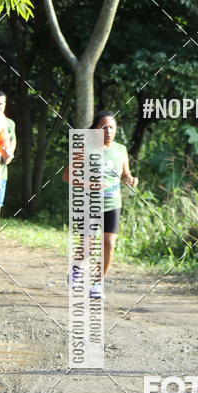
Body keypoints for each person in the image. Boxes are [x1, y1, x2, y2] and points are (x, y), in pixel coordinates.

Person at [64, 110, 138, 299]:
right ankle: (77, 268)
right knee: (87, 246)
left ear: (116, 130)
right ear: (96, 129)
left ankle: (98, 284)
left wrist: (130, 179)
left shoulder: (121, 150)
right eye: (103, 127)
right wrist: (90, 184)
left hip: (113, 203)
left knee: (109, 243)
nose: (108, 131)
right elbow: (68, 176)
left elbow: (125, 174)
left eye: (111, 127)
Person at [0, 90, 16, 228]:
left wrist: (8, 155)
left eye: (0, 103)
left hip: (1, 173)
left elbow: (11, 146)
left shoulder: (9, 124)